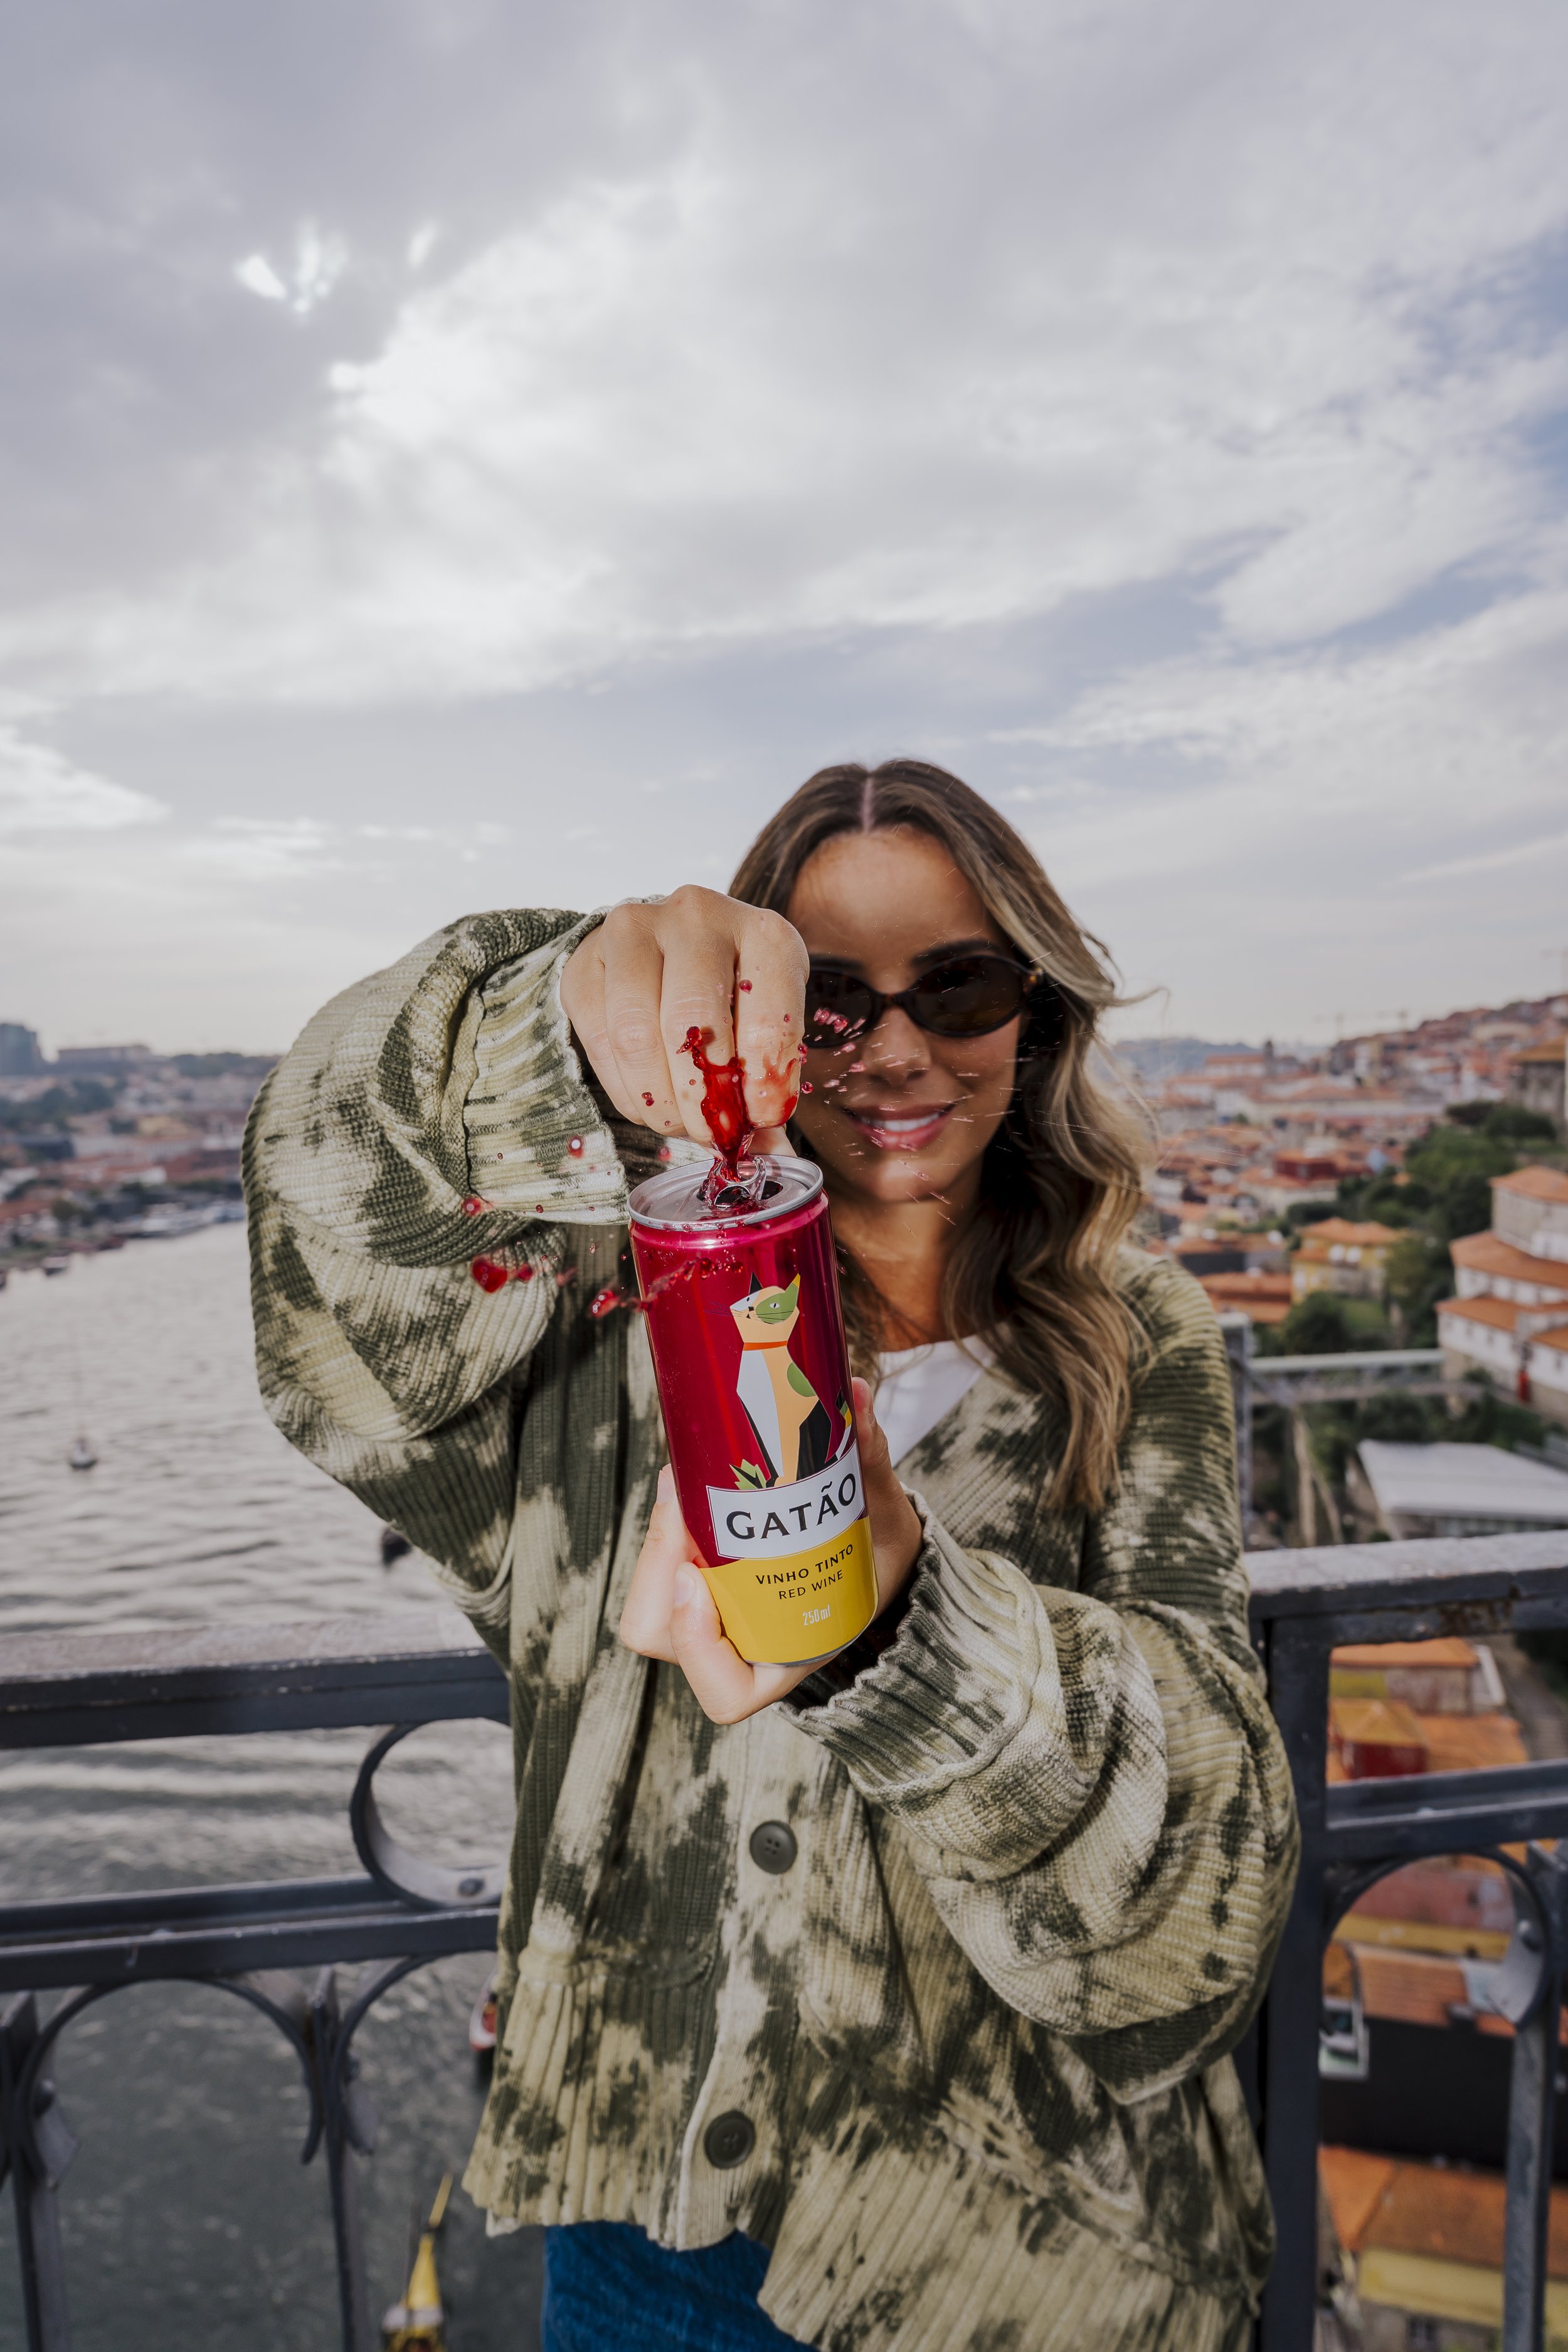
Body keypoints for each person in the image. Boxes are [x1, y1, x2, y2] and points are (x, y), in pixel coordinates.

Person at [246, 759, 1298, 2352]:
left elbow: (1204, 1906)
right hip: (646, 2221)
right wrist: (549, 1033)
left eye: (956, 986)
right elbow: (319, 1235)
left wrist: (907, 1632)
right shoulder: (581, 1312)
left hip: (1029, 2257)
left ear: (1035, 1012)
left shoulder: (1133, 1336)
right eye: (827, 1003)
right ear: (744, 1018)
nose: (890, 1050)